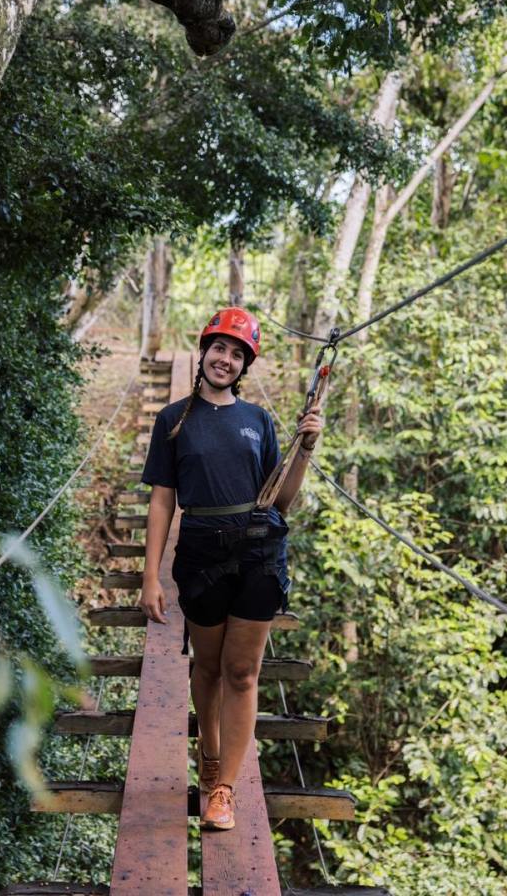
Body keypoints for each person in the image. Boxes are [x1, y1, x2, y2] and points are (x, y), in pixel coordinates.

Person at [138, 306, 322, 831]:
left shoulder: (258, 420)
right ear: (204, 352)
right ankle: (211, 753)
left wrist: (305, 449)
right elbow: (162, 501)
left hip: (259, 554)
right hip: (201, 555)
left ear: (244, 367)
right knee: (208, 667)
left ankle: (223, 789)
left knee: (242, 672)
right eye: (219, 348)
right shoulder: (174, 419)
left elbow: (280, 500)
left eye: (237, 354)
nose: (226, 359)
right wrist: (150, 576)